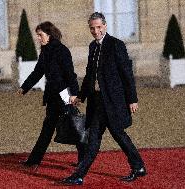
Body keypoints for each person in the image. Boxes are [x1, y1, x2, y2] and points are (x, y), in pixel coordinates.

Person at [61, 12, 146, 185]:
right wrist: (80, 97)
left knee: (118, 135)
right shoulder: (92, 47)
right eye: (92, 28)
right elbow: (89, 76)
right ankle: (80, 174)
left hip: (114, 102)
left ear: (105, 26)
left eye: (99, 27)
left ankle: (138, 166)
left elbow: (127, 74)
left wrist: (133, 99)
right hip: (97, 102)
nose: (96, 31)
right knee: (93, 139)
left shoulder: (117, 45)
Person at [17, 21, 85, 171]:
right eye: (37, 35)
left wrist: (74, 94)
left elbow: (70, 75)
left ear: (49, 34)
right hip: (52, 97)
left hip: (65, 96)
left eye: (40, 35)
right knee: (47, 128)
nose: (38, 38)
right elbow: (37, 72)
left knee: (75, 127)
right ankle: (34, 160)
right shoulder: (45, 51)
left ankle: (84, 160)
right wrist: (25, 87)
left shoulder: (62, 51)